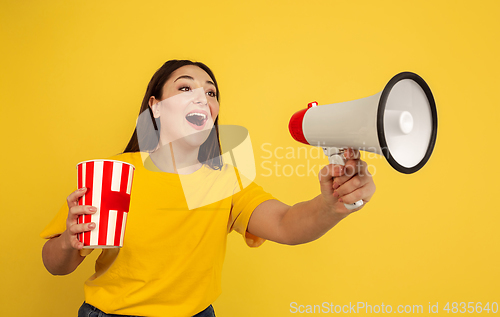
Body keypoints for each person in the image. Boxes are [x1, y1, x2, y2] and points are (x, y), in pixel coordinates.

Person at [41, 60, 376, 317]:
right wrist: (70, 243)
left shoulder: (226, 181)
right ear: (155, 105)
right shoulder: (113, 173)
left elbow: (286, 224)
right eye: (185, 88)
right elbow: (56, 264)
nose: (202, 97)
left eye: (210, 93)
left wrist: (332, 205)